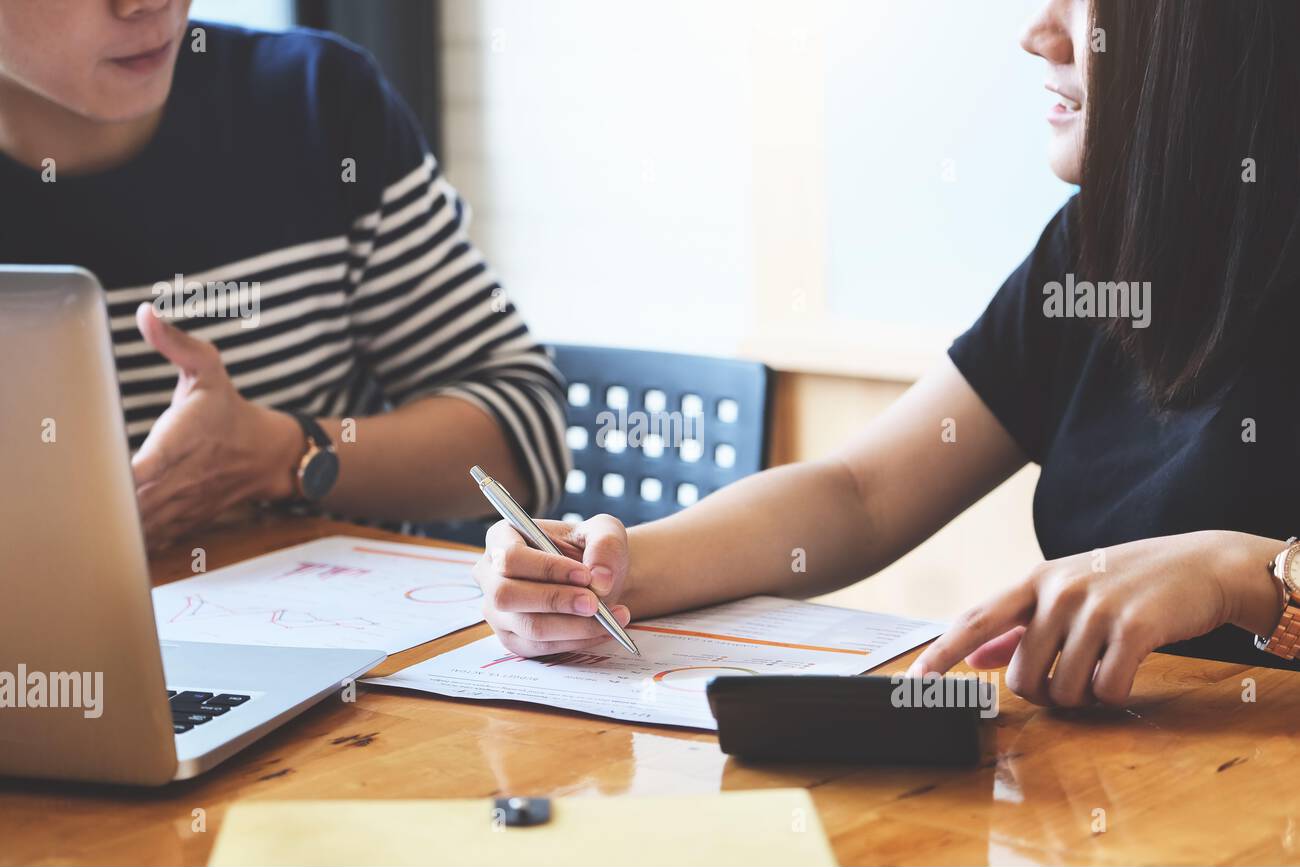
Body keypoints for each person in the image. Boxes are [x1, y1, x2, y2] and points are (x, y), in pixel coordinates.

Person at [473, 0, 1300, 708]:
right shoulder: (1097, 250)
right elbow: (860, 494)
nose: (1036, 32)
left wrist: (1245, 575)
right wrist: (611, 570)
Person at [0, 0, 568, 551]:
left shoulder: (316, 101)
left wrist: (280, 455)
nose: (145, 4)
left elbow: (526, 430)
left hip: (352, 633)